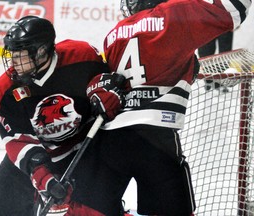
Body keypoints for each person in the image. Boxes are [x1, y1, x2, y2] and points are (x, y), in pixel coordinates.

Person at [65, 0, 252, 216]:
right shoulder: (172, 15)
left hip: (110, 140)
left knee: (87, 211)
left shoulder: (114, 34)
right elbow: (234, 8)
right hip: (156, 141)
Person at [0, 15, 110, 215]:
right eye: (12, 54)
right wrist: (43, 177)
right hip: (40, 151)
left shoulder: (83, 59)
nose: (13, 63)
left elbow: (108, 85)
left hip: (83, 151)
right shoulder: (4, 92)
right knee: (3, 210)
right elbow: (19, 142)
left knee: (95, 208)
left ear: (41, 51)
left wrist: (107, 91)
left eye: (20, 55)